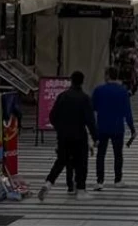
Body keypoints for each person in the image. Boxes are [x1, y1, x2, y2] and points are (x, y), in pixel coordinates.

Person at [39, 71, 96, 199]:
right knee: (81, 162)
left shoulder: (62, 96)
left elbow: (52, 116)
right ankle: (81, 190)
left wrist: (60, 128)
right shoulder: (85, 98)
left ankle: (48, 184)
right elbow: (90, 120)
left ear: (71, 80)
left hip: (64, 136)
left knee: (61, 161)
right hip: (79, 136)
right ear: (82, 82)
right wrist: (95, 137)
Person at [91, 65, 136, 190]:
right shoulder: (123, 91)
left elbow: (92, 108)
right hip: (117, 127)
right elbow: (127, 112)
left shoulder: (98, 90)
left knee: (101, 154)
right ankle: (118, 179)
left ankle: (100, 181)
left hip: (102, 126)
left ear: (107, 76)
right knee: (118, 154)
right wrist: (132, 128)